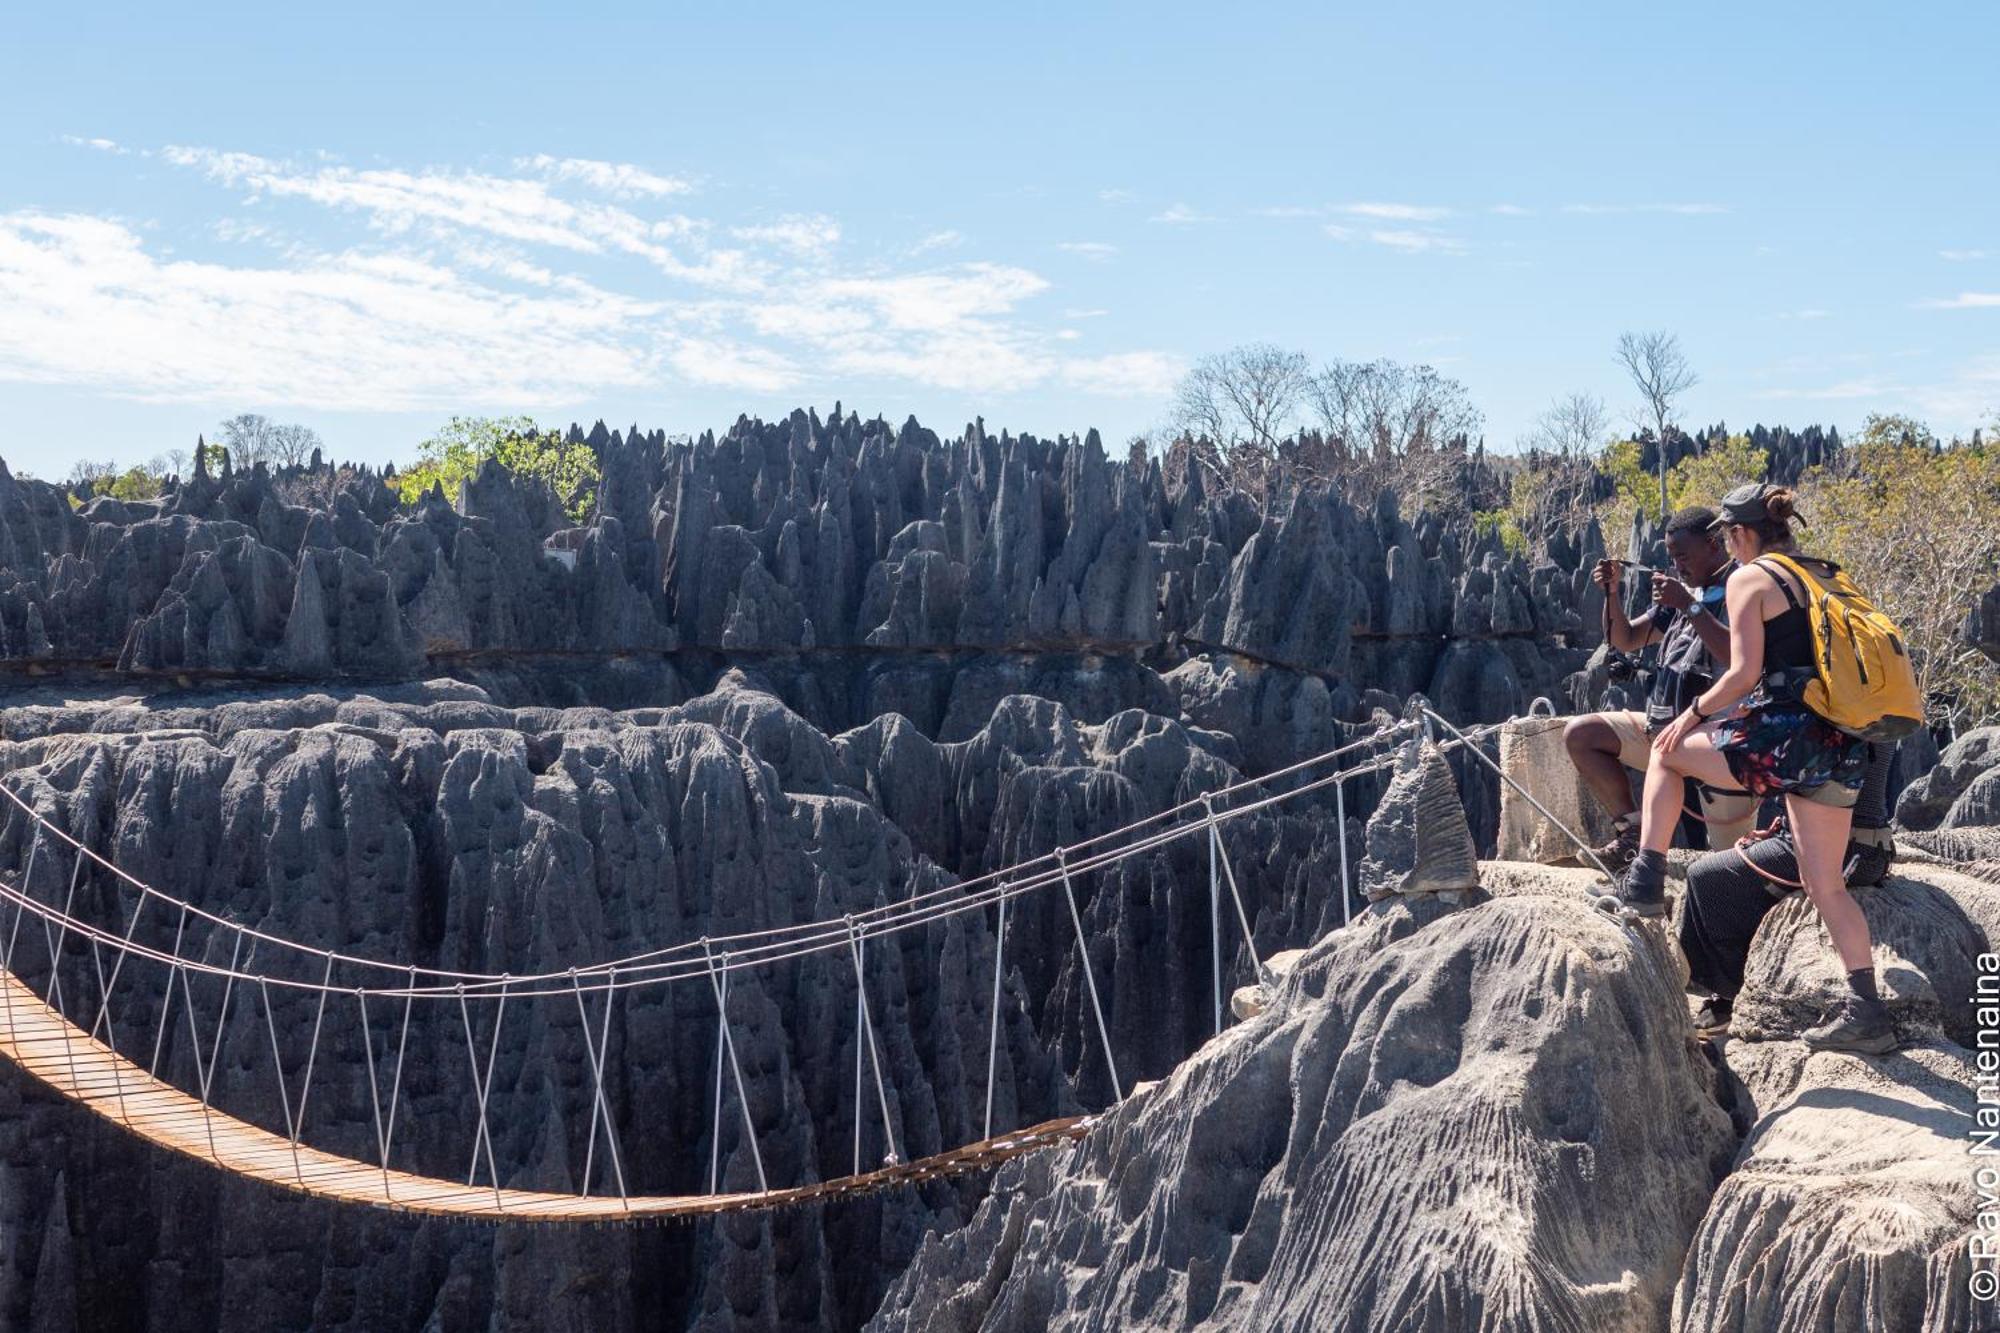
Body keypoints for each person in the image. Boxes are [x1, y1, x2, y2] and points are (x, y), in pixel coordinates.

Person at [1618, 482, 1896, 1054]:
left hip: (1784, 739)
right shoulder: (1824, 573)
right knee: (1825, 885)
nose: (1730, 549)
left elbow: (1744, 673)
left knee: (1668, 752)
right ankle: (1867, 1010)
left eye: (1728, 538)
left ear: (1741, 534)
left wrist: (1691, 713)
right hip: (1841, 744)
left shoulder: (1752, 577)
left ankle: (1645, 879)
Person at [1563, 506, 1755, 870]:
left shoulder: (1742, 589)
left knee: (1730, 867)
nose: (1677, 566)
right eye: (1671, 557)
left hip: (1715, 745)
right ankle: (1632, 835)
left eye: (1683, 556)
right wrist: (1612, 592)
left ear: (1714, 545)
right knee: (1582, 735)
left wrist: (1689, 605)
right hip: (1662, 735)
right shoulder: (1686, 595)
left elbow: (1737, 657)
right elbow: (1625, 637)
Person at [1679, 743, 1896, 1035]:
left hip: (1839, 851)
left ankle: (1729, 997)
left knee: (1706, 878)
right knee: (1724, 873)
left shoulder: (1831, 722)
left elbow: (1787, 775)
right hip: (1871, 848)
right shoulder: (1872, 714)